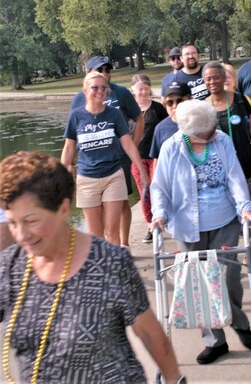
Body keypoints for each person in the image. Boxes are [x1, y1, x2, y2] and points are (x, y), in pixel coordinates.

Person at [0, 151, 183, 383]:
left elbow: (148, 332)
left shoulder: (110, 262)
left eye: (31, 221)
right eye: (13, 223)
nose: (21, 235)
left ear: (64, 209)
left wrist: (174, 379)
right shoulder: (9, 267)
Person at [151, 99, 251, 365]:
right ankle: (215, 341)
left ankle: (238, 322)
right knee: (199, 285)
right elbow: (160, 186)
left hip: (223, 218)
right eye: (204, 135)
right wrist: (159, 214)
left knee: (229, 277)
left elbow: (234, 176)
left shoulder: (221, 139)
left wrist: (245, 207)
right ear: (187, 132)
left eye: (211, 130)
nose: (210, 136)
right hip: (187, 224)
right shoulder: (171, 147)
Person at [62, 72, 150, 247]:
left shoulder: (114, 114)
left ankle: (117, 270)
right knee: (96, 234)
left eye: (103, 87)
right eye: (95, 87)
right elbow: (69, 147)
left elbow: (127, 143)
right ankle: (102, 271)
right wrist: (62, 173)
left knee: (112, 230)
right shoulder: (76, 116)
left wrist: (142, 170)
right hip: (86, 178)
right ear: (85, 90)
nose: (100, 91)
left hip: (113, 176)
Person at [203, 61, 251, 205]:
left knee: (249, 209)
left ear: (224, 78)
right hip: (220, 172)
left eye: (216, 77)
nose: (212, 82)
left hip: (247, 164)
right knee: (228, 214)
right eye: (208, 79)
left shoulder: (240, 100)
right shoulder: (202, 108)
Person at [131, 74, 168, 244]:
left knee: (158, 188)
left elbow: (167, 130)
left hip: (156, 157)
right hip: (137, 158)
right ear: (133, 90)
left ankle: (163, 218)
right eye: (140, 89)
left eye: (146, 88)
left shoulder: (158, 109)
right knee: (144, 192)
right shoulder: (128, 111)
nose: (144, 91)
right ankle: (150, 226)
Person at [149, 82, 192, 163]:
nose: (174, 106)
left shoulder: (200, 123)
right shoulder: (160, 128)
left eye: (180, 101)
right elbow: (157, 160)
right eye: (170, 102)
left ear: (189, 99)